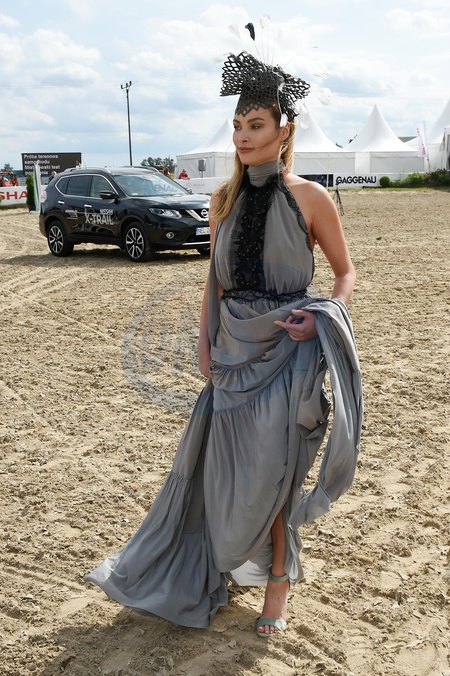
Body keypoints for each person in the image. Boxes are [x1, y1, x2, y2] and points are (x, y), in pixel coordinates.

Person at [85, 47, 363, 638]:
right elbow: (213, 279)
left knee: (275, 473)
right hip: (232, 354)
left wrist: (322, 318)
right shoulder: (221, 199)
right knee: (223, 472)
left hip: (289, 353)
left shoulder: (311, 197)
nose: (242, 136)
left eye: (255, 125)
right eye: (237, 125)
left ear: (284, 130)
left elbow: (345, 273)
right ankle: (225, 564)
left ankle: (278, 587)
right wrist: (204, 342)